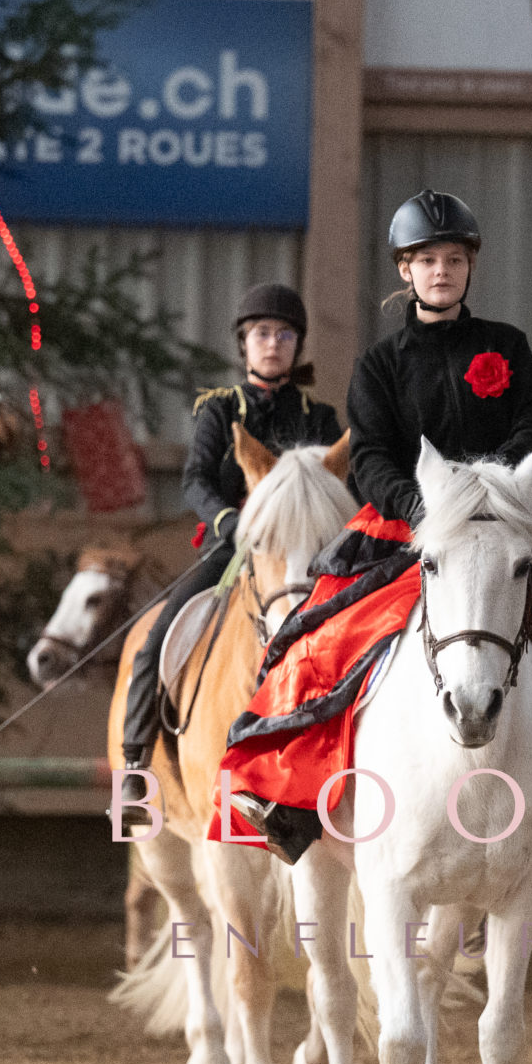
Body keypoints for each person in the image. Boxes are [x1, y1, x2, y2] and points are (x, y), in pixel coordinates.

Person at [218, 192, 532, 866]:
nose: (441, 271)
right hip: (404, 530)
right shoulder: (379, 364)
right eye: (427, 260)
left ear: (469, 268)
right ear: (405, 271)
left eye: (453, 260)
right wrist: (424, 510)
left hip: (497, 526)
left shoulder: (507, 346)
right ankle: (287, 799)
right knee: (317, 639)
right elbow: (372, 456)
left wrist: (494, 490)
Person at [118, 282, 341, 772]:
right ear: (244, 343)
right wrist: (233, 523)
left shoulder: (319, 418)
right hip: (235, 546)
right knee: (156, 640)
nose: (273, 343)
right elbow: (195, 479)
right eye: (262, 333)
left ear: (297, 346)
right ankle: (136, 757)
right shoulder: (219, 408)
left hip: (304, 554)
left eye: (285, 335)